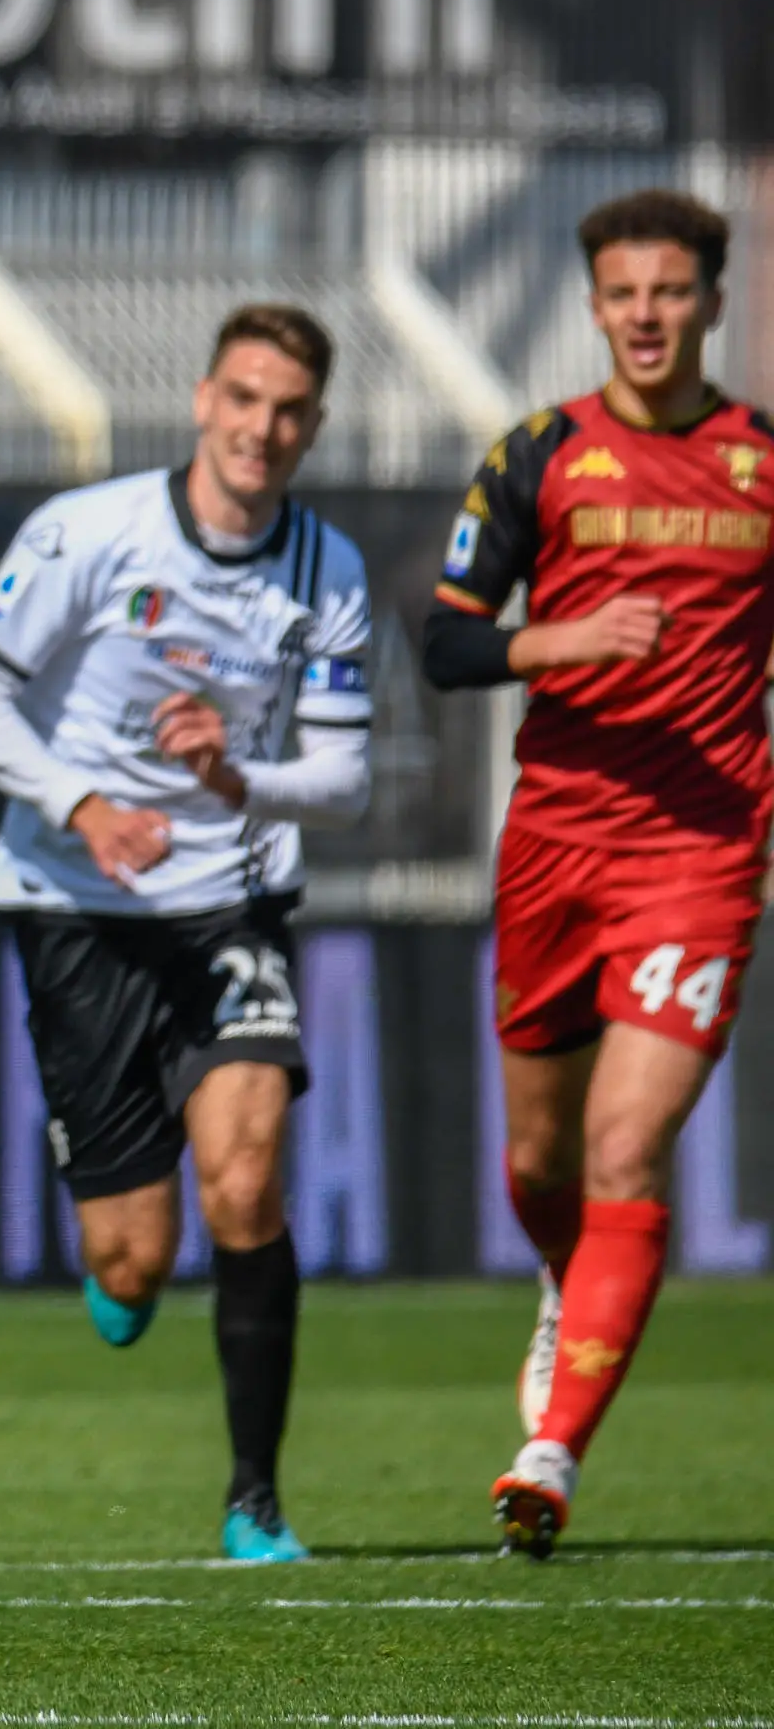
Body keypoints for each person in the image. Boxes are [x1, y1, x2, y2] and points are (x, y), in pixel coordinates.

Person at [0, 304, 372, 1565]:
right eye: (243, 398)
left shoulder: (325, 572)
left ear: (314, 426)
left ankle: (256, 1498)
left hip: (232, 896)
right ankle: (119, 1267)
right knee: (133, 1261)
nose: (262, 429)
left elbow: (338, 782)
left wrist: (240, 780)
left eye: (288, 410)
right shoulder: (87, 532)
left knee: (246, 1177)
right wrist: (81, 800)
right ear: (201, 399)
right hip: (75, 905)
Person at [420, 189, 774, 1560]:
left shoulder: (759, 462)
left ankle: (550, 1449)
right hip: (557, 849)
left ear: (711, 302)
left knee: (630, 1148)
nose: (646, 315)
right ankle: (569, 1286)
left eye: (671, 292)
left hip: (699, 856)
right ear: (593, 304)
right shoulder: (540, 455)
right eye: (624, 292)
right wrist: (561, 644)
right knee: (538, 1157)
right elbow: (445, 646)